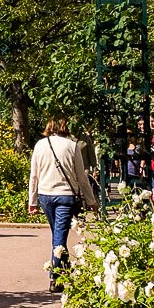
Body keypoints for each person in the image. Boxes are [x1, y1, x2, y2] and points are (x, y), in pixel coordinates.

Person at [29, 116, 98, 292]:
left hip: (45, 196)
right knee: (59, 236)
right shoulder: (72, 146)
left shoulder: (40, 145)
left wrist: (33, 201)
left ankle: (64, 270)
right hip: (66, 196)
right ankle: (56, 277)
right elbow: (82, 178)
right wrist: (91, 200)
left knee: (58, 235)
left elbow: (34, 176)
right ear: (65, 127)